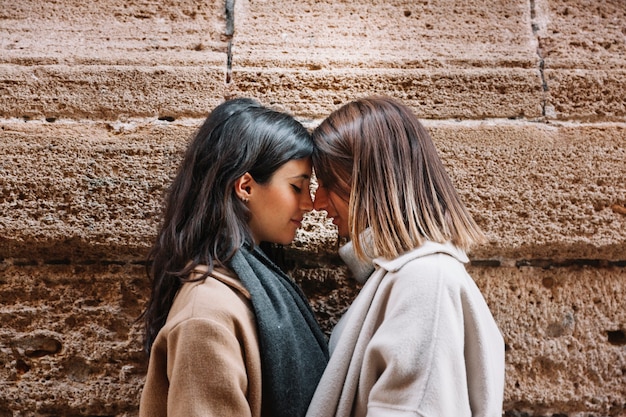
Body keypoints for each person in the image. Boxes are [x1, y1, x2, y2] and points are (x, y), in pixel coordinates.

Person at [306, 96, 505, 417]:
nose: (316, 202)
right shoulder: (408, 276)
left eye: (327, 182)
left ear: (369, 178)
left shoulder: (426, 280)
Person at [139, 97, 329, 417]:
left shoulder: (244, 294)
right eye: (297, 187)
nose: (309, 204)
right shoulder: (206, 316)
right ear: (245, 186)